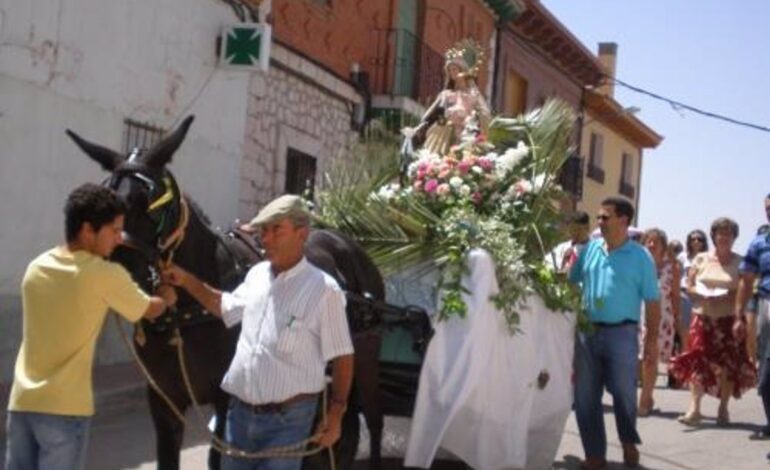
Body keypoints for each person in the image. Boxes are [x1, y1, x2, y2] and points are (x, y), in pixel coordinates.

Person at [163, 194, 354, 470]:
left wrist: (336, 413)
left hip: (288, 423)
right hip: (238, 417)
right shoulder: (257, 275)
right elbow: (224, 305)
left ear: (302, 234)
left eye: (277, 230)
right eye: (264, 231)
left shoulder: (324, 291)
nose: (266, 238)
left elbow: (343, 356)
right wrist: (186, 280)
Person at [4, 183, 176, 470]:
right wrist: (168, 297)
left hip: (22, 404)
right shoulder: (103, 275)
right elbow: (148, 309)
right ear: (87, 230)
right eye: (114, 230)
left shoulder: (36, 267)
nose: (119, 239)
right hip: (64, 409)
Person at [569, 197, 661, 470]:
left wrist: (652, 340)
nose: (599, 222)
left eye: (604, 217)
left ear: (624, 220)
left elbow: (653, 302)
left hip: (622, 333)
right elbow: (572, 282)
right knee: (585, 397)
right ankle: (595, 455)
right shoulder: (589, 250)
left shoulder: (641, 257)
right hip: (587, 332)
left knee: (623, 393)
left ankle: (627, 441)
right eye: (598, 217)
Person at [670, 217, 755, 427]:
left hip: (728, 319)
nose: (724, 237)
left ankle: (723, 407)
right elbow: (688, 287)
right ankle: (694, 408)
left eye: (728, 234)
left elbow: (745, 289)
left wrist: (729, 296)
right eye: (720, 233)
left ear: (734, 238)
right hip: (703, 316)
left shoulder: (740, 262)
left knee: (727, 364)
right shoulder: (700, 259)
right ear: (714, 236)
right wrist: (701, 293)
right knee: (698, 360)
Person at [407, 39, 492, 157]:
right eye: (450, 70)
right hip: (443, 131)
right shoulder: (446, 94)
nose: (452, 73)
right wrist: (420, 127)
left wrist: (475, 120)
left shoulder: (474, 94)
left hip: (465, 134)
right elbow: (430, 115)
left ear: (463, 71)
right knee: (435, 157)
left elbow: (485, 114)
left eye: (455, 69)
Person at [735, 198, 770, 441]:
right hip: (766, 306)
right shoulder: (759, 244)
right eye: (768, 209)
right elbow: (746, 281)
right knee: (766, 377)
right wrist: (739, 316)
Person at [637, 228, 681, 416]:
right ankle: (647, 393)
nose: (652, 244)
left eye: (656, 242)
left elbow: (676, 295)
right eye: (648, 241)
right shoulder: (637, 264)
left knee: (650, 359)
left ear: (664, 246)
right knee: (639, 360)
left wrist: (677, 320)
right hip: (638, 316)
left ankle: (645, 399)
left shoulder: (672, 267)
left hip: (662, 319)